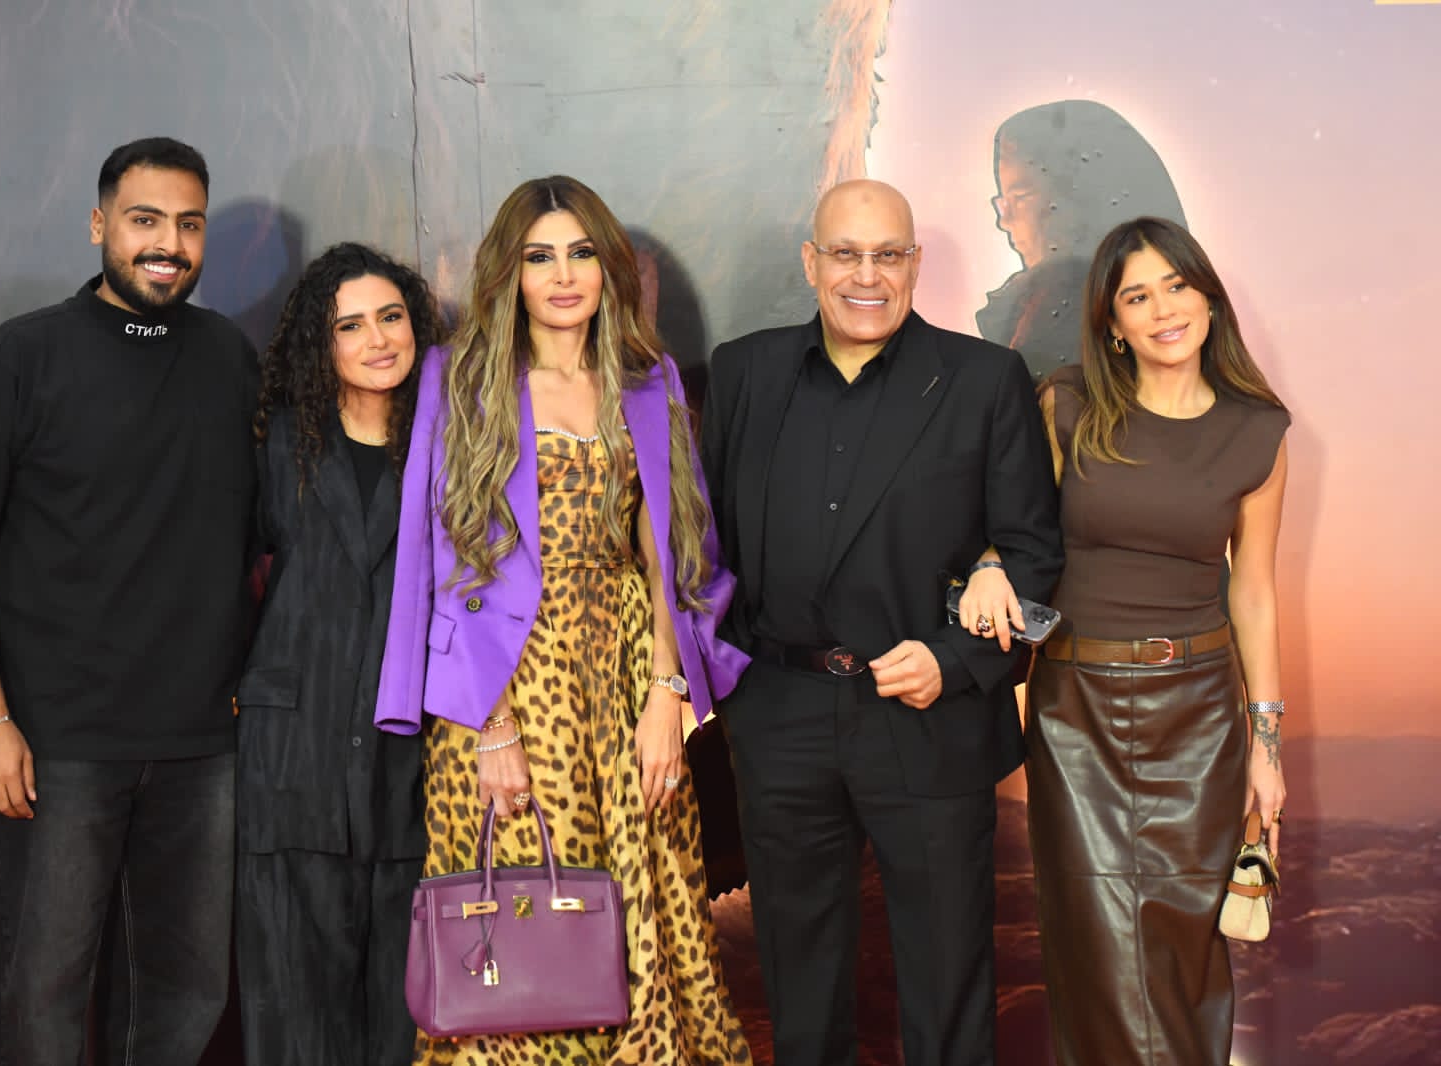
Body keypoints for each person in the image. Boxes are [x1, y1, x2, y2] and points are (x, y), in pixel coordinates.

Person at [376, 174, 753, 1065]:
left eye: (581, 253)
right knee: (524, 914)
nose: (563, 274)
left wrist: (667, 693)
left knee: (641, 901)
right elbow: (439, 554)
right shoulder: (461, 377)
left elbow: (671, 550)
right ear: (510, 272)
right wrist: (491, 724)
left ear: (607, 267)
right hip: (504, 685)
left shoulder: (650, 380)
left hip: (624, 673)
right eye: (539, 256)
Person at [698, 178, 1063, 1066]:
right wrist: (725, 691)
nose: (868, 275)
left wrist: (955, 661)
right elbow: (702, 542)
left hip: (929, 716)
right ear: (810, 262)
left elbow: (1035, 556)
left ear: (915, 264)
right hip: (780, 716)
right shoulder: (743, 373)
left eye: (888, 255)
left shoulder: (985, 380)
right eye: (847, 254)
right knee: (801, 989)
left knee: (947, 985)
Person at [0, 137, 256, 1065]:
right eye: (145, 220)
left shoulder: (230, 358)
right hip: (52, 747)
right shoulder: (24, 354)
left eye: (189, 224)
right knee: (42, 1001)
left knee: (185, 998)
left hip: (201, 750)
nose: (168, 243)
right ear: (100, 224)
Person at [958, 216, 1290, 1065]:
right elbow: (1020, 533)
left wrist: (1266, 745)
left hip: (1200, 716)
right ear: (1112, 322)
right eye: (1137, 297)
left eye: (1177, 286)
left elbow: (1253, 592)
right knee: (1094, 948)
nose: (1163, 310)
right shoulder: (1067, 403)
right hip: (1077, 716)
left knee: (1183, 951)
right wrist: (990, 563)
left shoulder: (1258, 431)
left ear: (1208, 298)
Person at [234, 243, 438, 1065]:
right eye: (349, 325)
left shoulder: (451, 442)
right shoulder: (276, 444)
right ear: (320, 344)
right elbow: (216, 579)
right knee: (294, 1022)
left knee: (409, 1023)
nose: (377, 338)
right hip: (293, 762)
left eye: (391, 317)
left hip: (415, 767)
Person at [976, 100, 1186, 381]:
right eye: (1003, 203)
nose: (1005, 221)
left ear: (1079, 199)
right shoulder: (1029, 308)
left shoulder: (1059, 314)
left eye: (1022, 197)